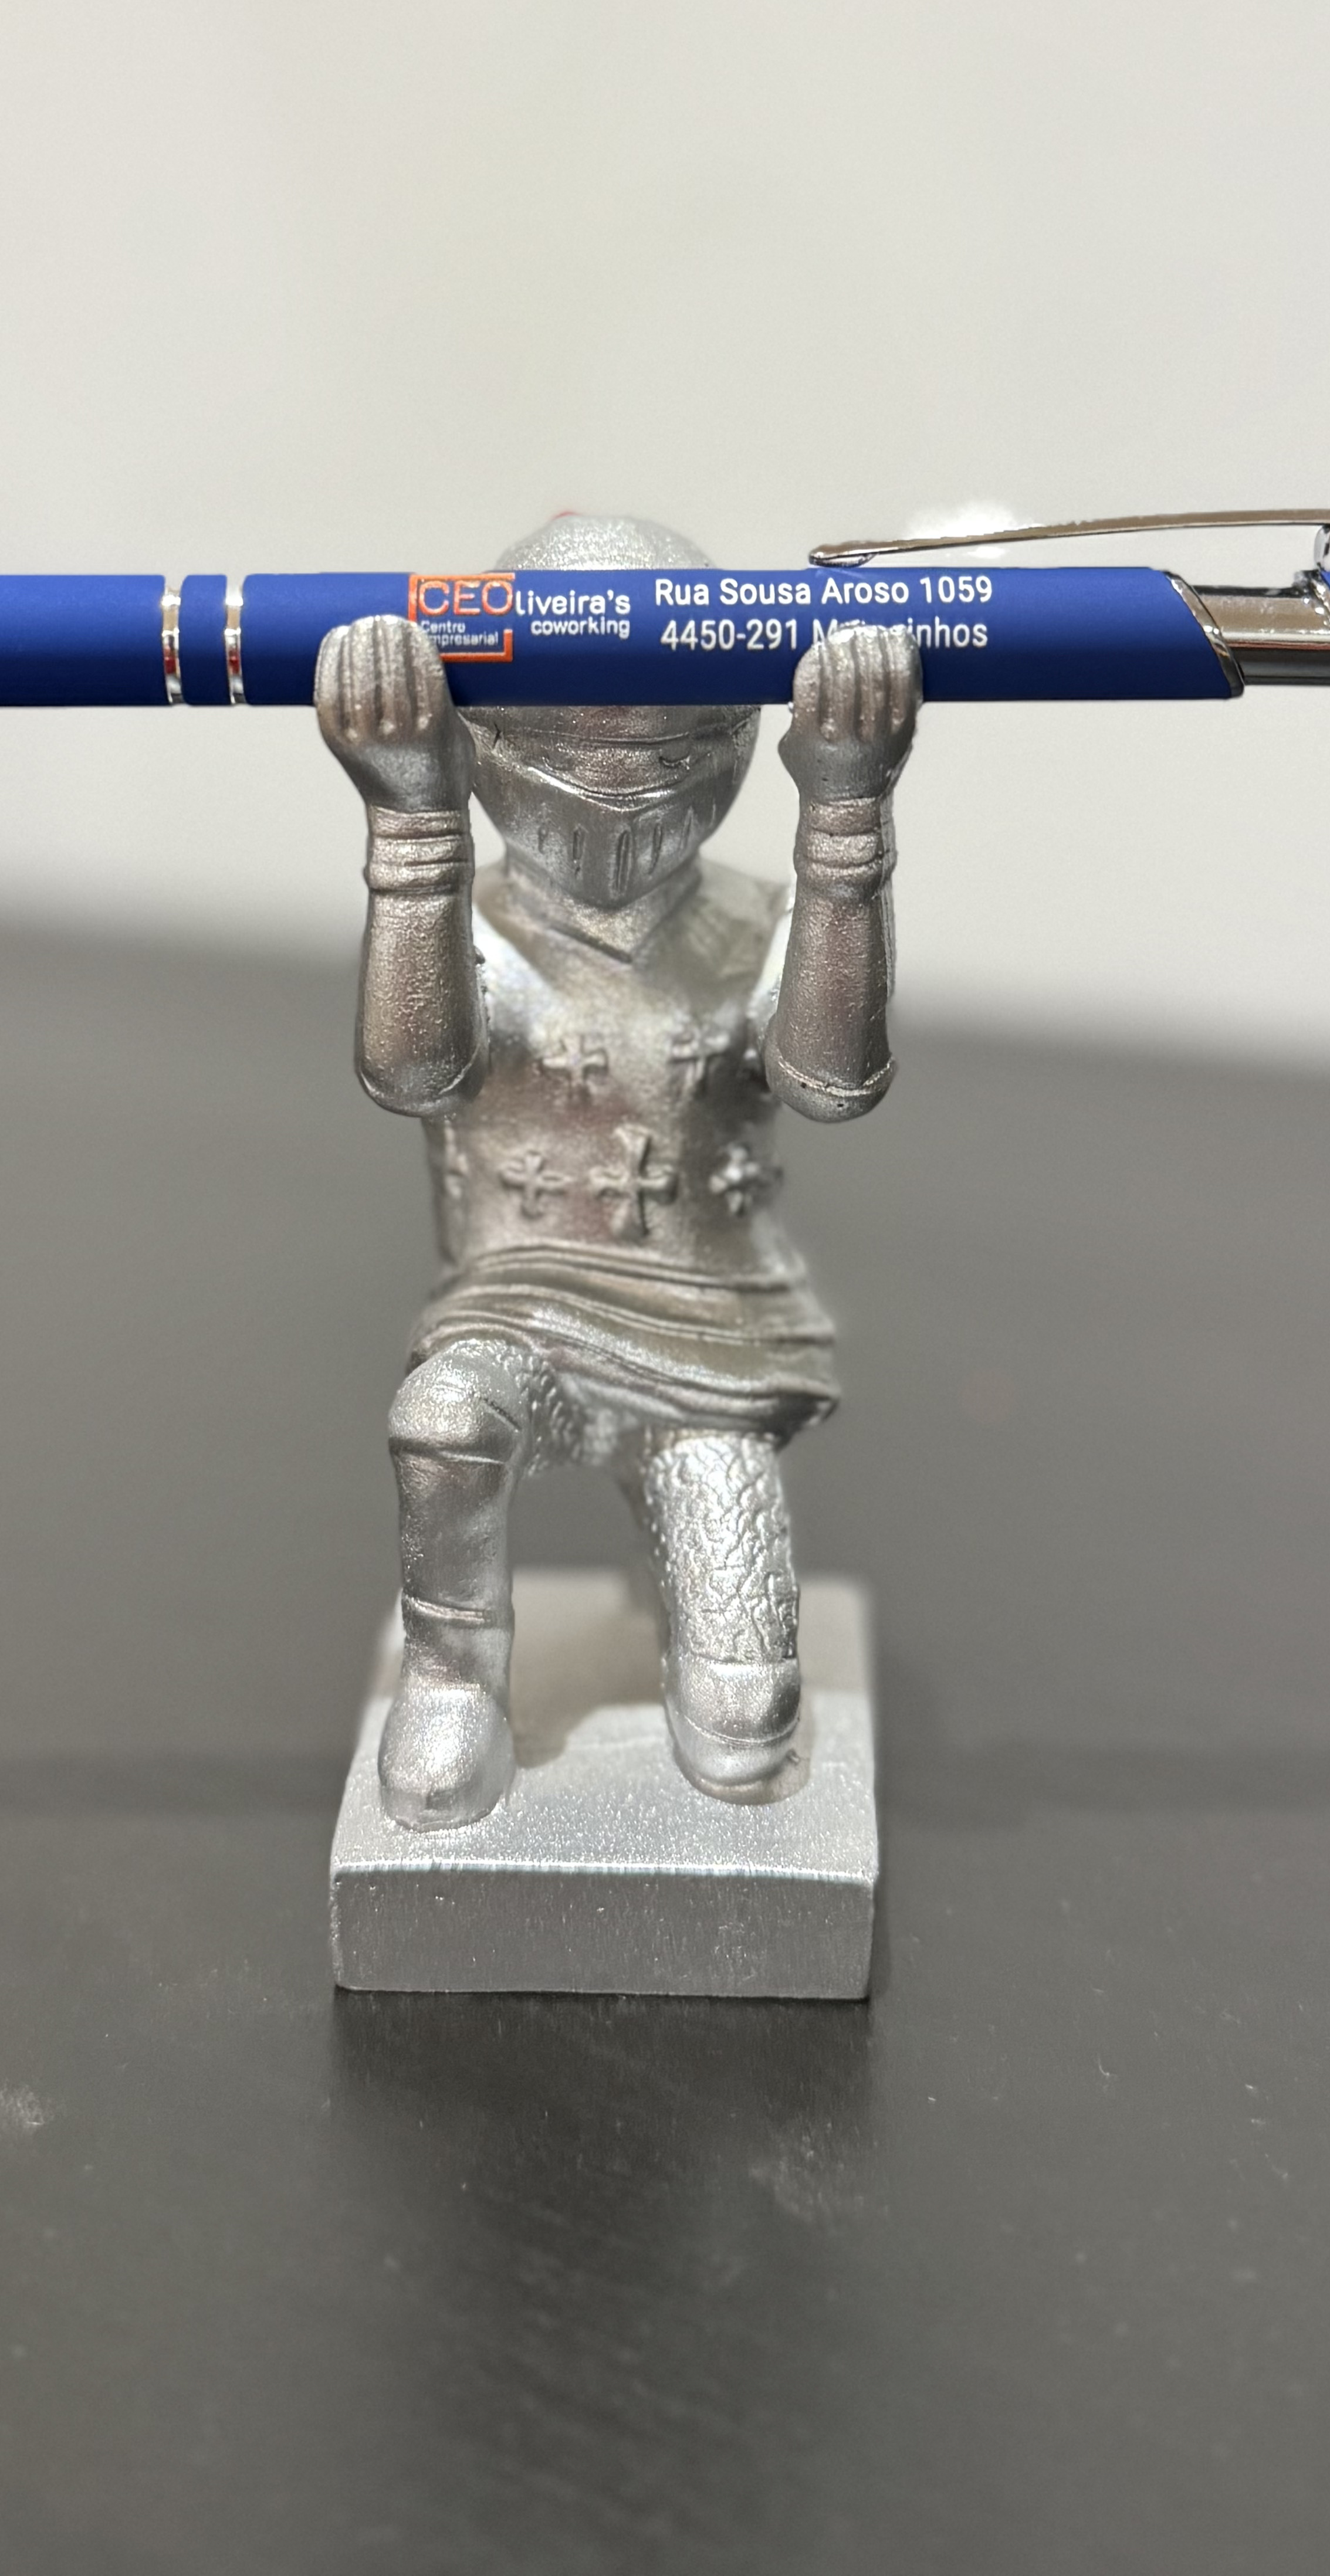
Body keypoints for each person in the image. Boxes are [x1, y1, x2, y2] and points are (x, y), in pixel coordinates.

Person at [316, 511, 919, 1828]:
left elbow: (831, 1080)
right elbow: (413, 1073)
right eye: (571, 754)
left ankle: (712, 1639)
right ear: (487, 744)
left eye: (667, 757)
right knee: (444, 1420)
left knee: (745, 1734)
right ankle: (453, 1672)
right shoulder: (464, 925)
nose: (618, 808)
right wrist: (411, 824)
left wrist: (847, 816)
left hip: (708, 1341)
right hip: (515, 1307)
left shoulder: (757, 923)